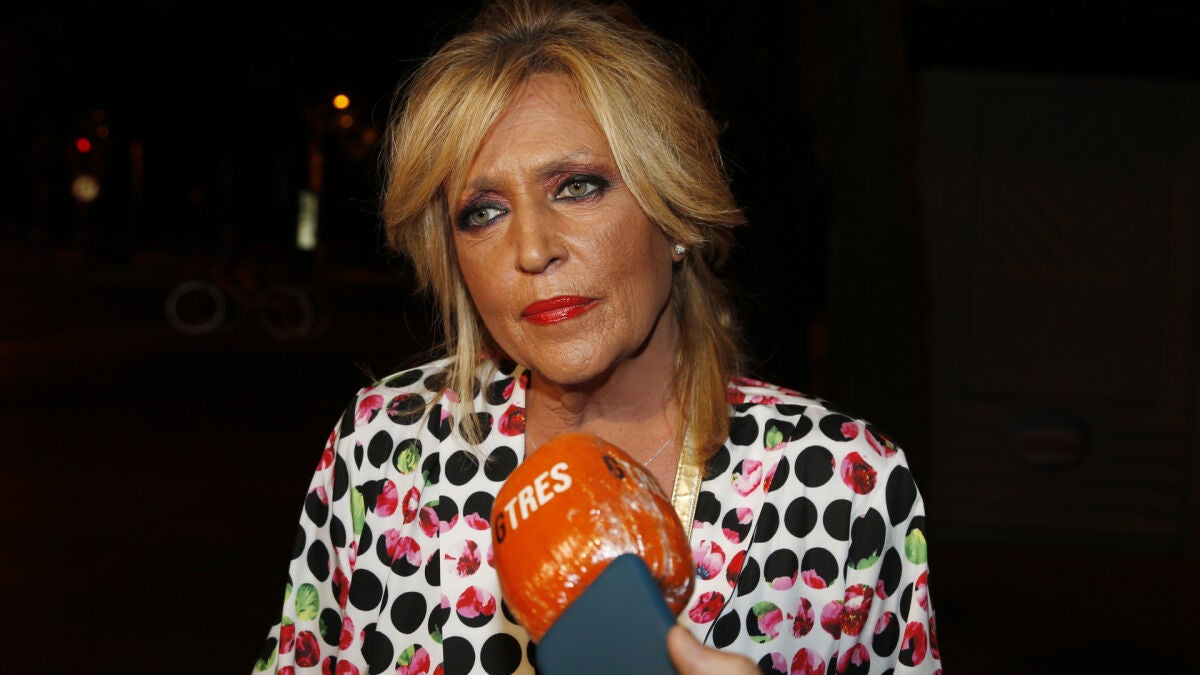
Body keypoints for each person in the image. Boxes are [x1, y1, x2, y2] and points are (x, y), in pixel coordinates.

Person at [253, 1, 941, 674]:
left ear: (672, 208)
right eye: (483, 212)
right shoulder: (386, 448)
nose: (532, 249)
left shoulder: (842, 486)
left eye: (577, 186)